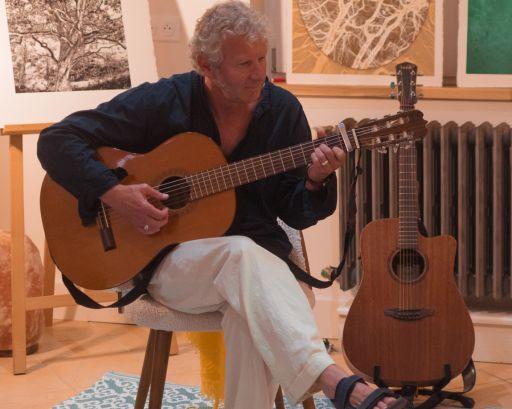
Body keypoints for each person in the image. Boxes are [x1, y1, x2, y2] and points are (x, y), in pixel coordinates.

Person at [37, 2, 409, 408]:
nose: (258, 73)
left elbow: (295, 212)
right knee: (239, 255)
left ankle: (328, 380)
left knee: (248, 311)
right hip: (170, 264)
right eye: (244, 63)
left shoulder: (282, 111)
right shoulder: (166, 101)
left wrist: (314, 180)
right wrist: (114, 193)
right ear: (207, 66)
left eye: (263, 58)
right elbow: (57, 140)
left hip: (258, 268)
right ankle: (333, 378)